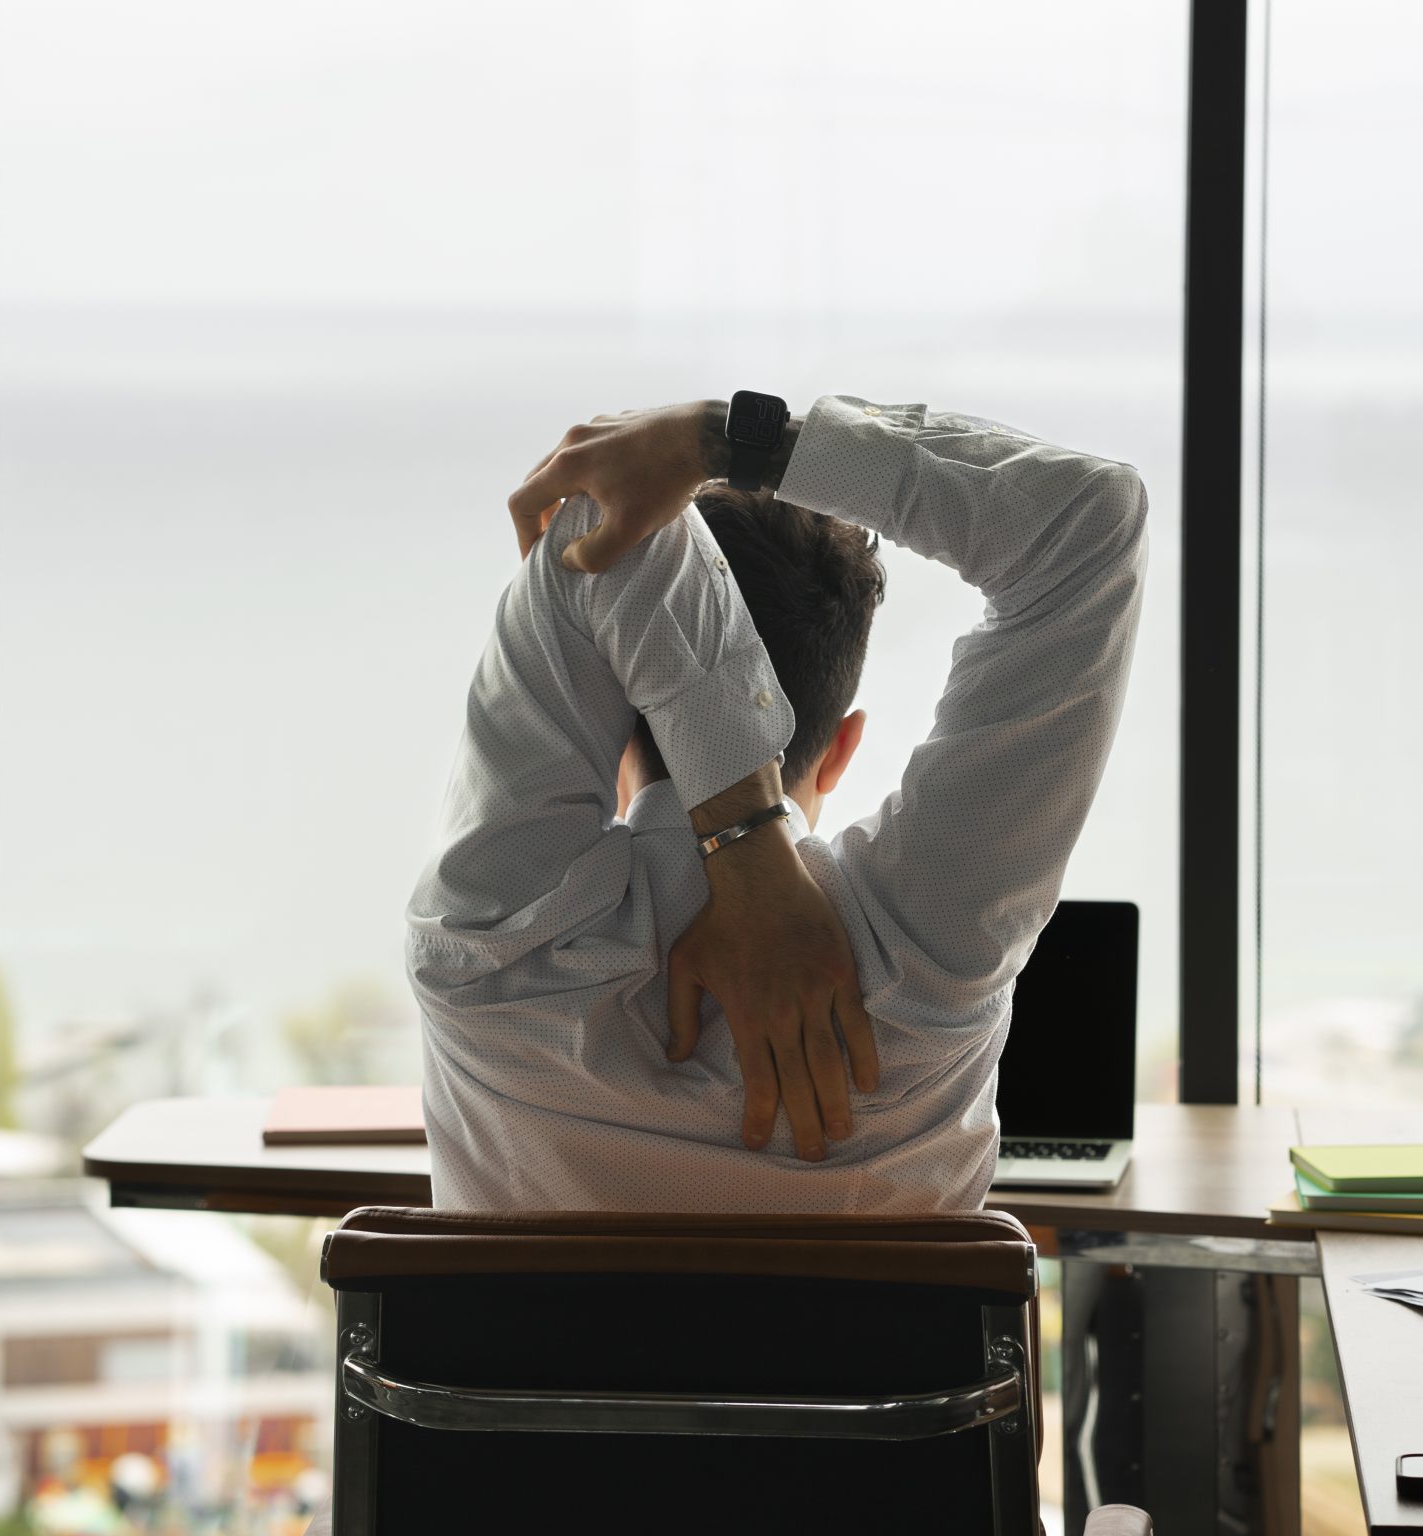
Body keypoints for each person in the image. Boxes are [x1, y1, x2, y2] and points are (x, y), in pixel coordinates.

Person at [405, 392, 1147, 1213]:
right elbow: (1087, 519)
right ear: (841, 748)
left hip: (519, 1350)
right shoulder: (926, 947)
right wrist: (719, 443)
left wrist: (742, 837)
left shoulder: (491, 941)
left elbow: (598, 523)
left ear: (617, 708)